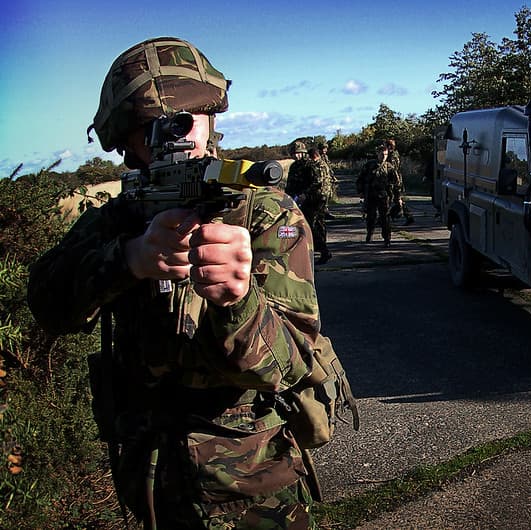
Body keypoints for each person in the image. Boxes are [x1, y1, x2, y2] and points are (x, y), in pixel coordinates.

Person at [27, 37, 330, 529]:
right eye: (154, 127)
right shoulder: (123, 215)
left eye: (192, 116)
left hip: (249, 485)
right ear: (126, 142)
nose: (180, 135)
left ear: (213, 118)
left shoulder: (267, 214)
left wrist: (239, 301)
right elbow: (46, 301)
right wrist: (127, 260)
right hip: (148, 481)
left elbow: (292, 365)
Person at [286, 144, 332, 265]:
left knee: (311, 226)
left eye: (297, 153)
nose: (295, 156)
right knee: (309, 226)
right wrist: (288, 197)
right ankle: (316, 250)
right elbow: (290, 183)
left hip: (313, 200)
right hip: (297, 200)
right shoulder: (294, 166)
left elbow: (317, 182)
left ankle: (323, 251)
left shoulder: (311, 165)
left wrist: (304, 194)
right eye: (293, 154)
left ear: (303, 153)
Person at [359, 143, 400, 247]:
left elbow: (396, 183)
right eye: (382, 154)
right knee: (371, 217)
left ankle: (387, 239)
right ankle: (369, 234)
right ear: (377, 154)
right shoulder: (369, 165)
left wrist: (397, 197)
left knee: (385, 218)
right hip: (371, 195)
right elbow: (360, 179)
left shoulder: (389, 167)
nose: (383, 156)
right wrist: (361, 192)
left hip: (384, 195)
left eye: (385, 154)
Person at [386, 139, 414, 226]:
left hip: (395, 181)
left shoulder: (392, 156)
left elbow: (392, 169)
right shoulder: (393, 154)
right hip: (394, 180)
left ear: (390, 146)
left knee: (397, 199)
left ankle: (407, 216)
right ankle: (405, 216)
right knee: (396, 199)